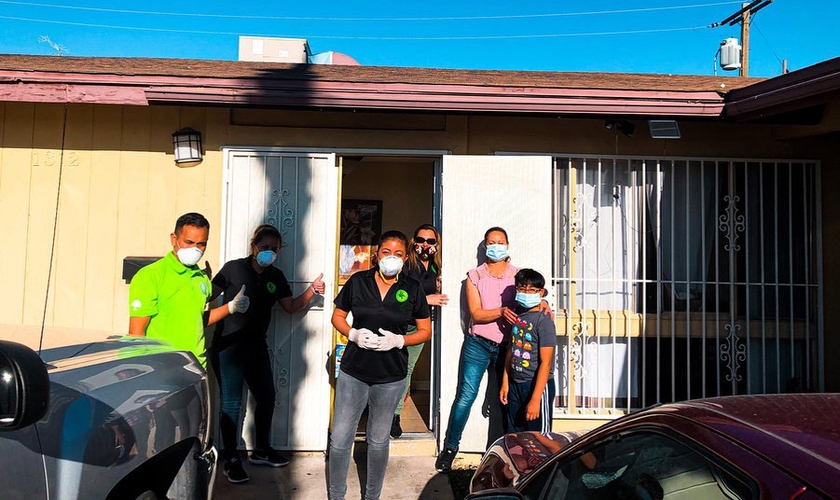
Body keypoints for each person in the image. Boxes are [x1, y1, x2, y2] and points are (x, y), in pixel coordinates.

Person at [209, 224, 326, 484]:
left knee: (267, 396)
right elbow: (207, 295)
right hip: (228, 345)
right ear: (254, 247)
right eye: (264, 248)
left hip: (256, 346)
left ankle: (261, 449)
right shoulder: (233, 268)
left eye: (274, 249)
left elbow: (291, 307)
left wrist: (312, 290)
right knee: (231, 403)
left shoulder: (276, 276)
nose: (269, 252)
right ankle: (231, 459)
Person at [329, 230, 431, 500]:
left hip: (391, 375)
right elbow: (338, 315)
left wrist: (400, 340)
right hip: (354, 371)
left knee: (377, 440)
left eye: (398, 254)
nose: (391, 258)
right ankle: (336, 495)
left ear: (405, 257)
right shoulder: (358, 281)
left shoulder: (412, 288)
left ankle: (371, 496)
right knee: (340, 439)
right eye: (386, 252)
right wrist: (352, 334)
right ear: (376, 255)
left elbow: (425, 330)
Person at [436, 226, 518, 473]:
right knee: (466, 396)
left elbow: (533, 295)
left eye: (500, 241)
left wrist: (544, 303)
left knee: (503, 399)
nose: (496, 246)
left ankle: (502, 453)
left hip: (506, 347)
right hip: (478, 344)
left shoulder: (518, 275)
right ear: (484, 246)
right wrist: (502, 312)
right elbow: (476, 314)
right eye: (491, 242)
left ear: (507, 245)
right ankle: (450, 448)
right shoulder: (475, 276)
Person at [128, 212, 250, 368]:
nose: (196, 249)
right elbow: (136, 334)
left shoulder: (201, 278)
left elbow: (197, 319)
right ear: (174, 239)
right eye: (189, 242)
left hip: (197, 366)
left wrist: (231, 307)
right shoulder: (150, 276)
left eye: (201, 244)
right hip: (161, 367)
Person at [391, 224, 448, 439]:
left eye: (430, 241)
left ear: (436, 244)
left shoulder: (437, 268)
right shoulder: (406, 266)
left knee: (406, 369)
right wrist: (427, 299)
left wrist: (440, 288)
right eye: (421, 240)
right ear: (413, 241)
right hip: (397, 324)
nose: (425, 245)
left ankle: (394, 415)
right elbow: (397, 295)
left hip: (419, 326)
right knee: (389, 368)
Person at [500, 268, 556, 434]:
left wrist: (535, 400)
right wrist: (505, 381)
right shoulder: (518, 313)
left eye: (531, 290)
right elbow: (511, 347)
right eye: (522, 288)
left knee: (540, 439)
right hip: (515, 384)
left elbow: (546, 363)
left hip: (536, 385)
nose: (526, 293)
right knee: (515, 436)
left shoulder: (543, 319)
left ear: (541, 292)